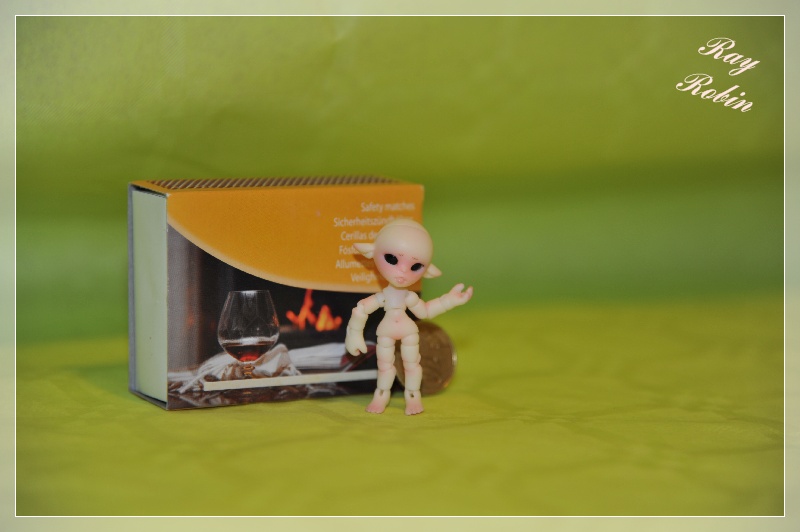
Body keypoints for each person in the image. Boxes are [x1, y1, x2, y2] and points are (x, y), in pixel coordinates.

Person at [345, 219, 473, 415]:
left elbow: (426, 311)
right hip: (386, 332)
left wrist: (450, 300)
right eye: (392, 259)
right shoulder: (384, 296)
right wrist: (354, 334)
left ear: (427, 270)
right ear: (371, 252)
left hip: (408, 331)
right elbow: (361, 309)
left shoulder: (409, 297)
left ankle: (413, 396)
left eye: (415, 266)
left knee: (412, 366)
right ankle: (381, 395)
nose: (403, 272)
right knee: (385, 367)